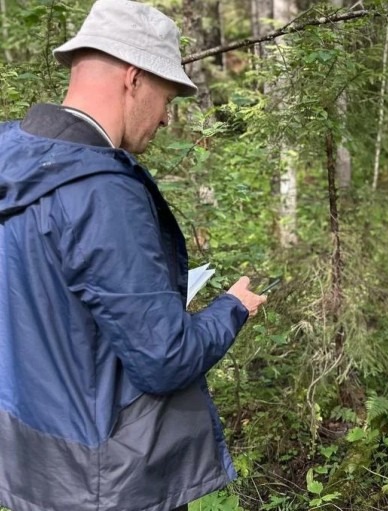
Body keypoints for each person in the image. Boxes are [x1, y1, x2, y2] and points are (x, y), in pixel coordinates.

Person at [0, 1, 266, 510]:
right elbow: (166, 360)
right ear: (133, 77)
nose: (166, 116)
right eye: (167, 96)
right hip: (108, 479)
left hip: (29, 468)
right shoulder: (99, 190)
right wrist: (232, 309)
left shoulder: (13, 160)